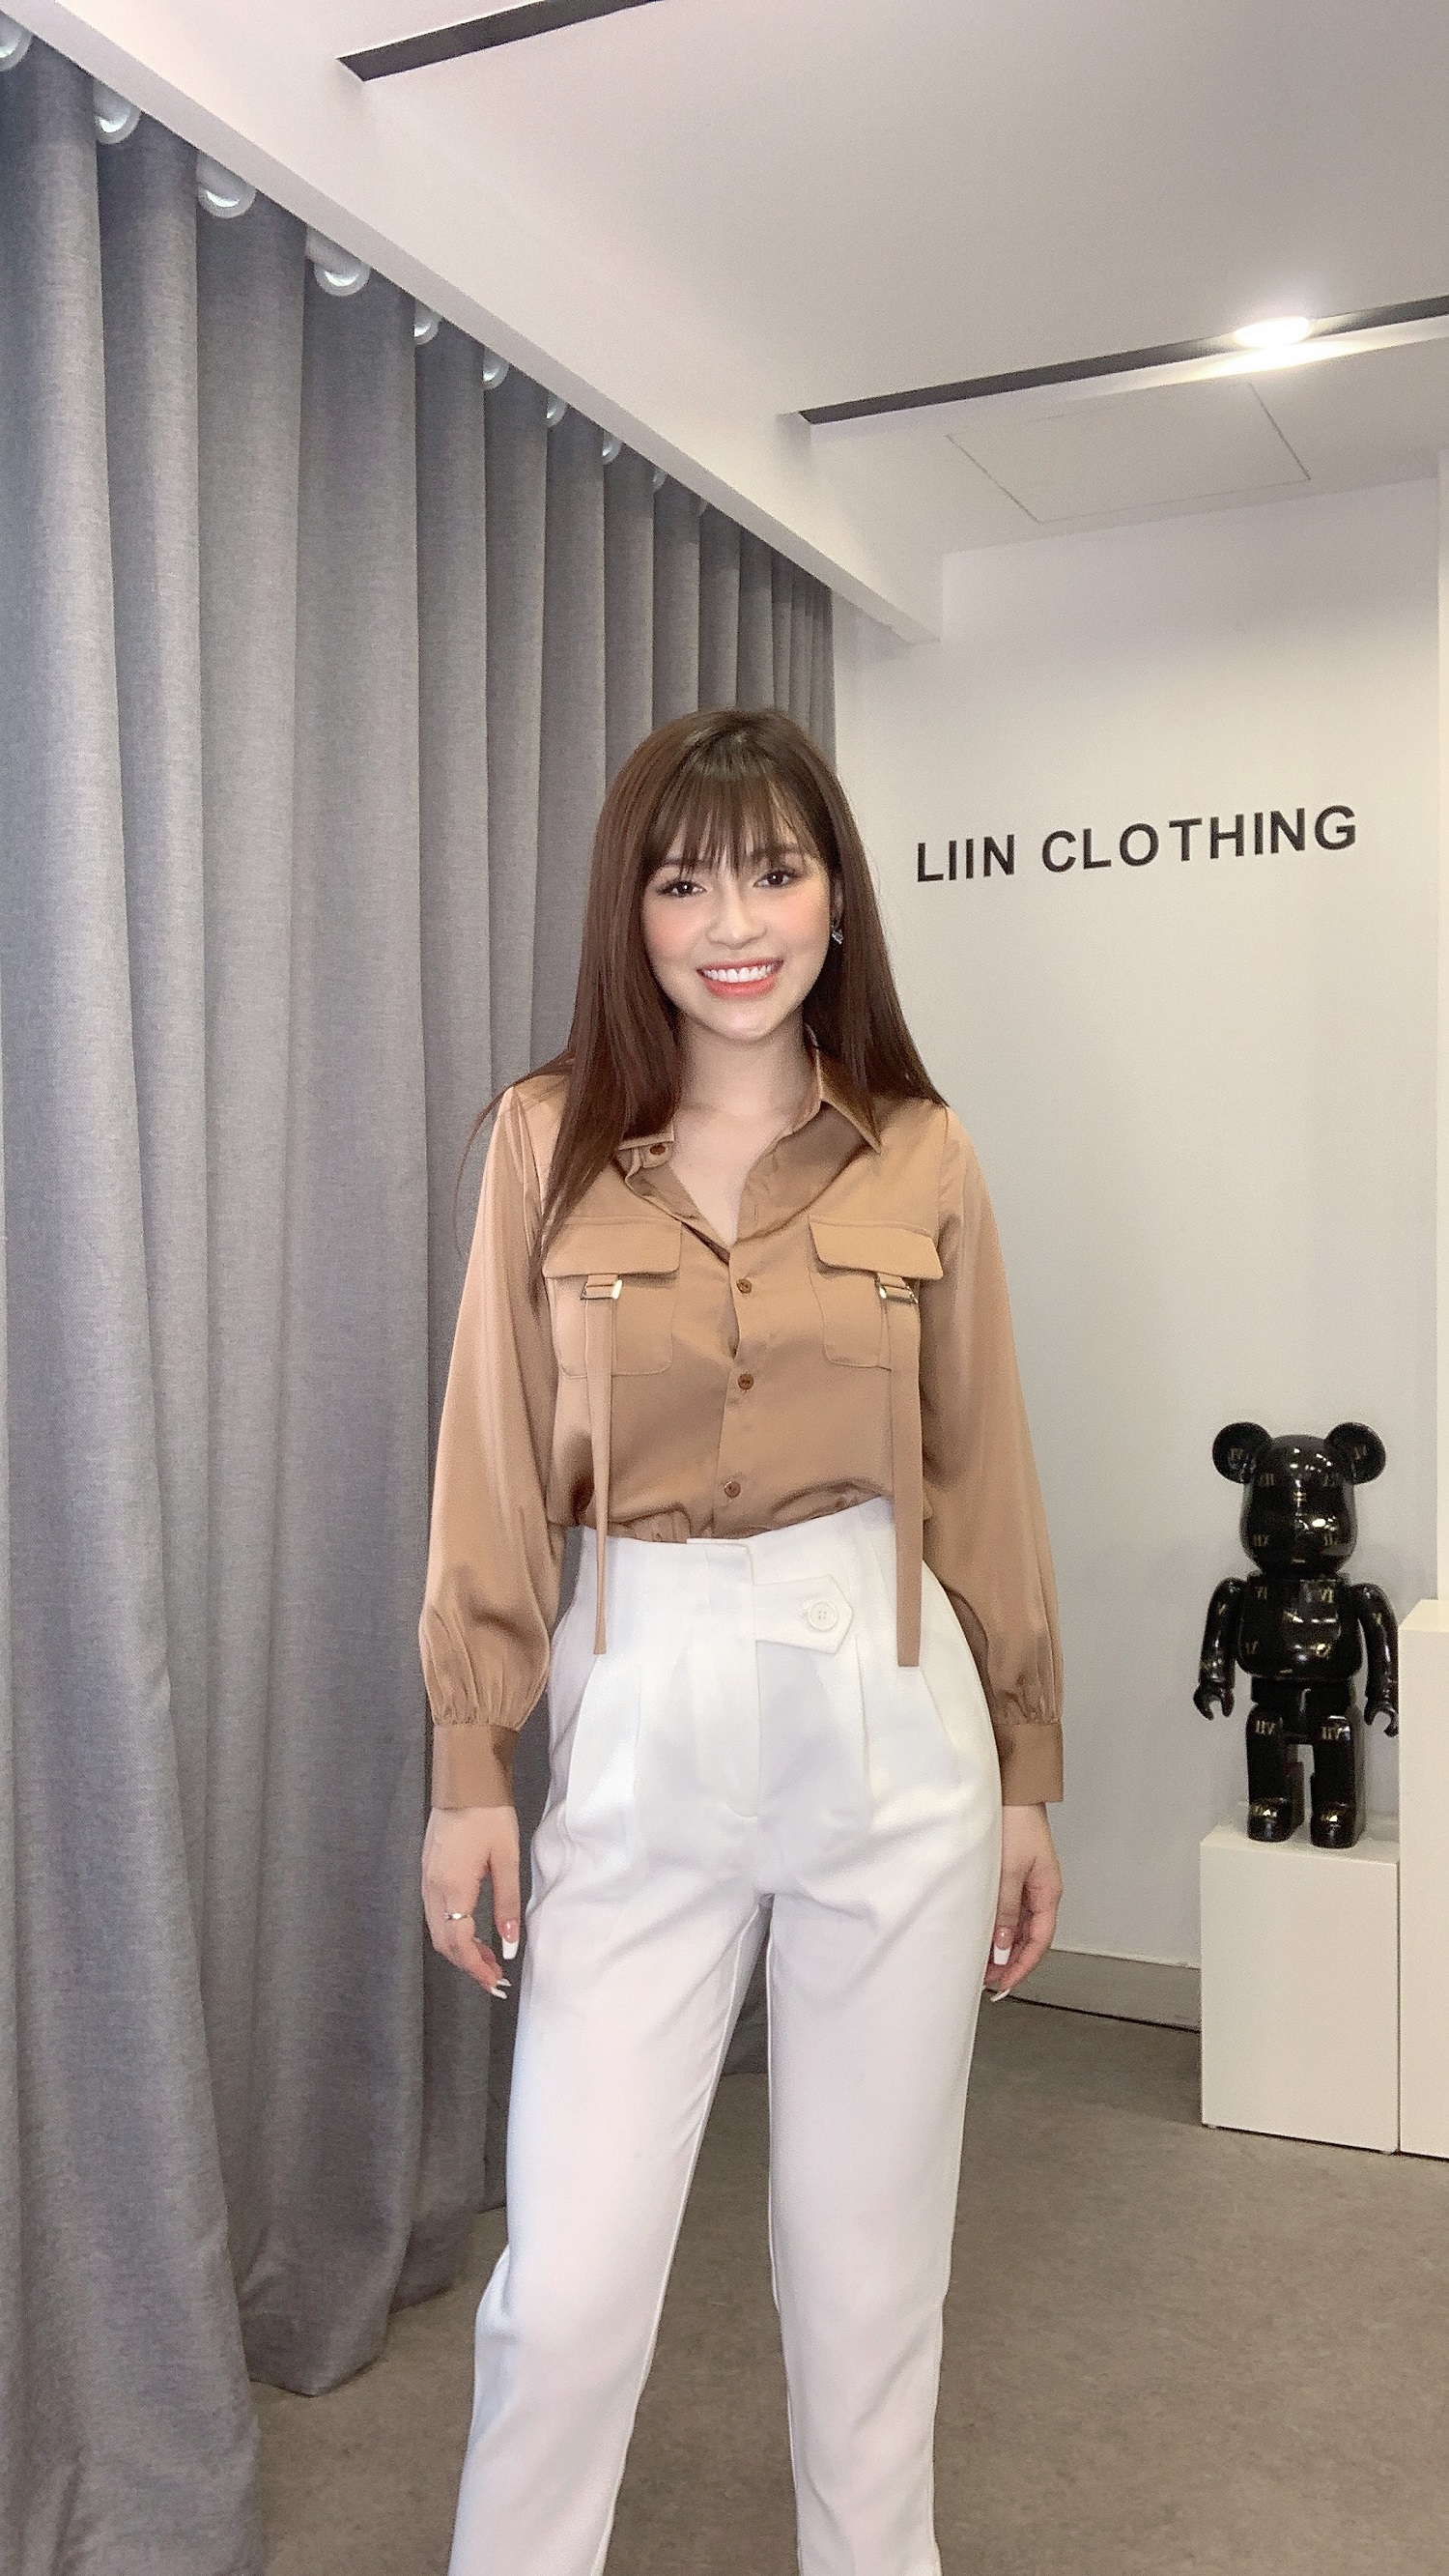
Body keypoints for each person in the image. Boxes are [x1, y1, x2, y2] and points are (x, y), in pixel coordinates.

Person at [418, 704, 1064, 2576]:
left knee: (868, 2284)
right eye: (683, 880)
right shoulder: (542, 1141)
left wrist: (1029, 1768)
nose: (733, 922)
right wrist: (469, 1759)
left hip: (892, 1705)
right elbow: (488, 1465)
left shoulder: (920, 1152)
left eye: (775, 872)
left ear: (837, 899)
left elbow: (983, 1477)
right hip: (641, 1693)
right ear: (629, 912)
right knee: (566, 2292)